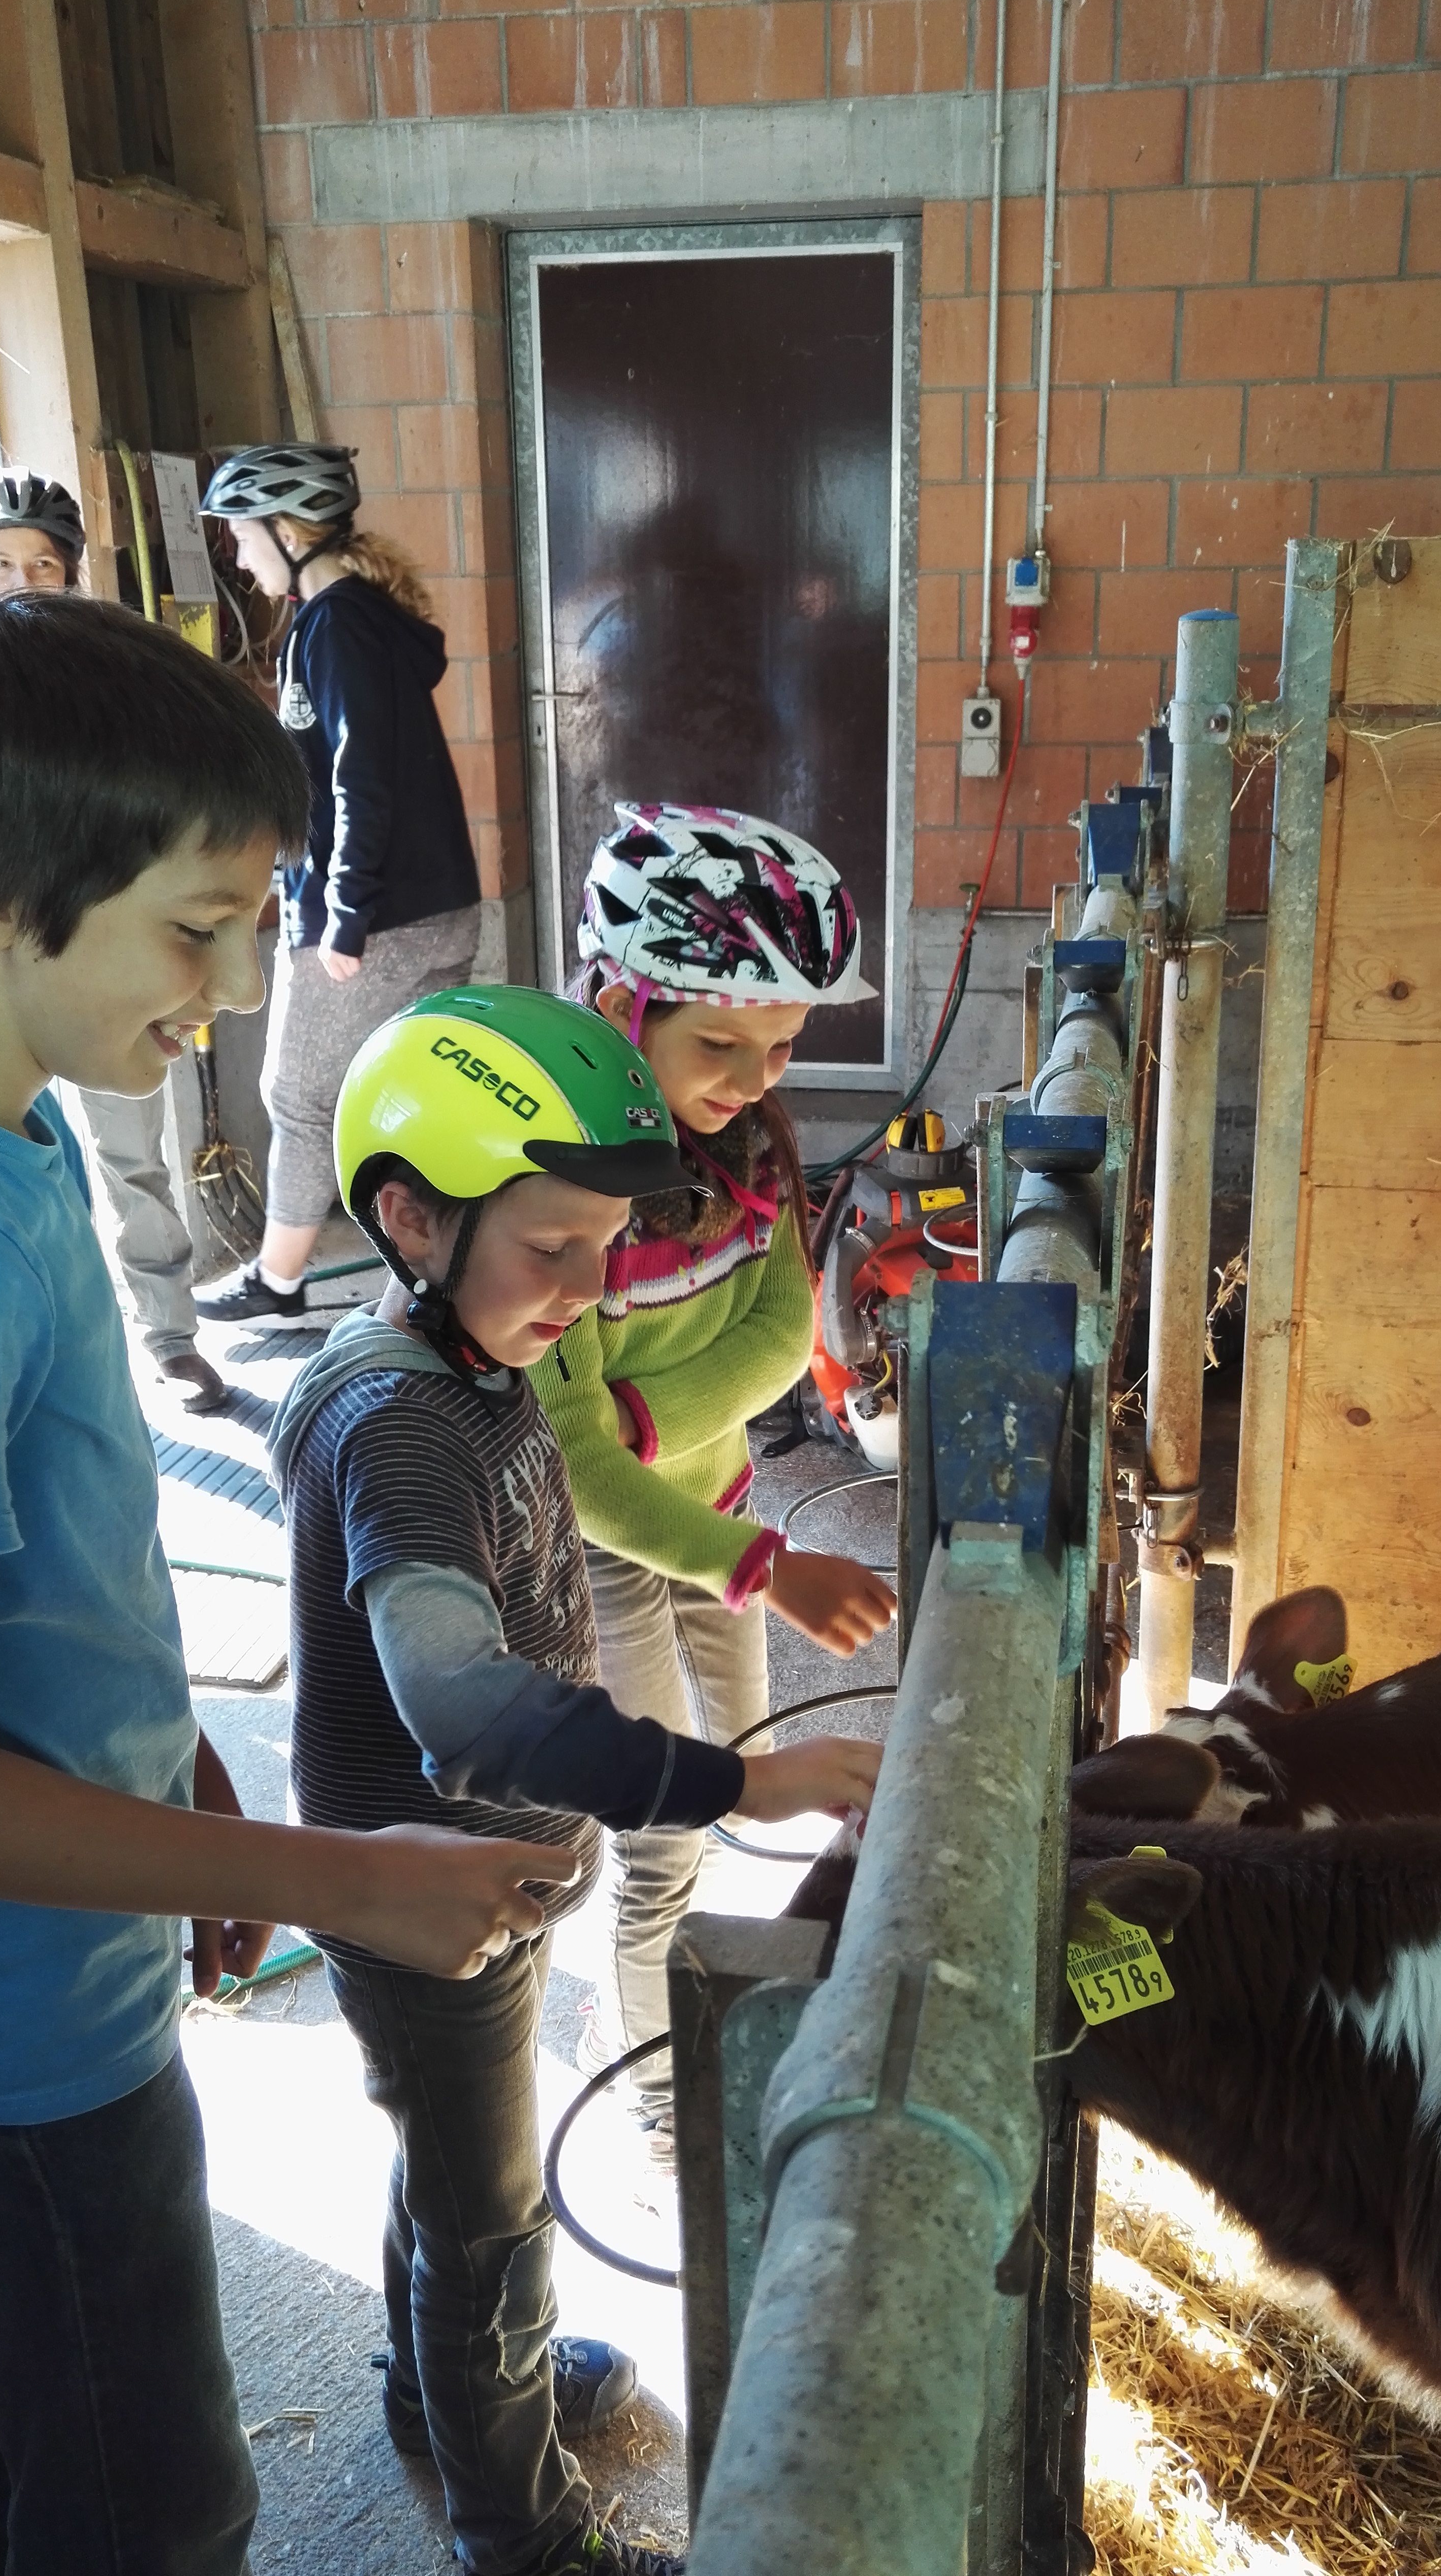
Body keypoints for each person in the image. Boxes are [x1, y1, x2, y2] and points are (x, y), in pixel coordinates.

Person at [0, 594, 567, 2575]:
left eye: (250, 926)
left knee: (37, 2393)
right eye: (195, 928)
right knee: (158, 2503)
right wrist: (339, 1875)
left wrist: (180, 1784)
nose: (227, 993)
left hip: (36, 1936)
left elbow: (47, 1570)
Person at [269, 984, 882, 2576]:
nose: (590, 1290)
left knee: (449, 2169)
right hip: (429, 1892)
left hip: (487, 1869)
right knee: (492, 2234)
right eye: (555, 1248)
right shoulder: (404, 1427)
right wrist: (733, 1784)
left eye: (607, 1249)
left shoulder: (467, 1350)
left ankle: (441, 2394)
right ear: (411, 1217)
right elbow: (461, 1702)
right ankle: (524, 2537)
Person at [533, 802, 897, 2164]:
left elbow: (780, 1336)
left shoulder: (750, 1151)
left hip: (718, 1509)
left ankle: (650, 2021)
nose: (756, 1077)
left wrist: (637, 1411)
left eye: (783, 1044)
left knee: (746, 1764)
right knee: (667, 1830)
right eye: (721, 1045)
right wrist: (765, 1565)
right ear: (621, 1005)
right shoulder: (558, 1175)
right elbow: (579, 1473)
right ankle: (653, 2105)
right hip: (616, 1553)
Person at [0, 466, 230, 1416]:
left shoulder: (121, 689)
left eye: (43, 564)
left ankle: (167, 1335)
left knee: (131, 1151)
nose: (22, 582)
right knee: (6, 1159)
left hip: (103, 964)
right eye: (1, 564)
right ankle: (35, 1349)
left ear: (71, 573)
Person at [192, 442, 484, 1326]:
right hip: (427, 903)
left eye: (244, 537)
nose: (239, 558)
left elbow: (362, 775)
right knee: (403, 1101)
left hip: (379, 914)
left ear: (289, 534)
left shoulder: (338, 624)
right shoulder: (353, 619)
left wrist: (345, 911)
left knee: (303, 1095)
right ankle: (438, 1277)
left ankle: (280, 1280)